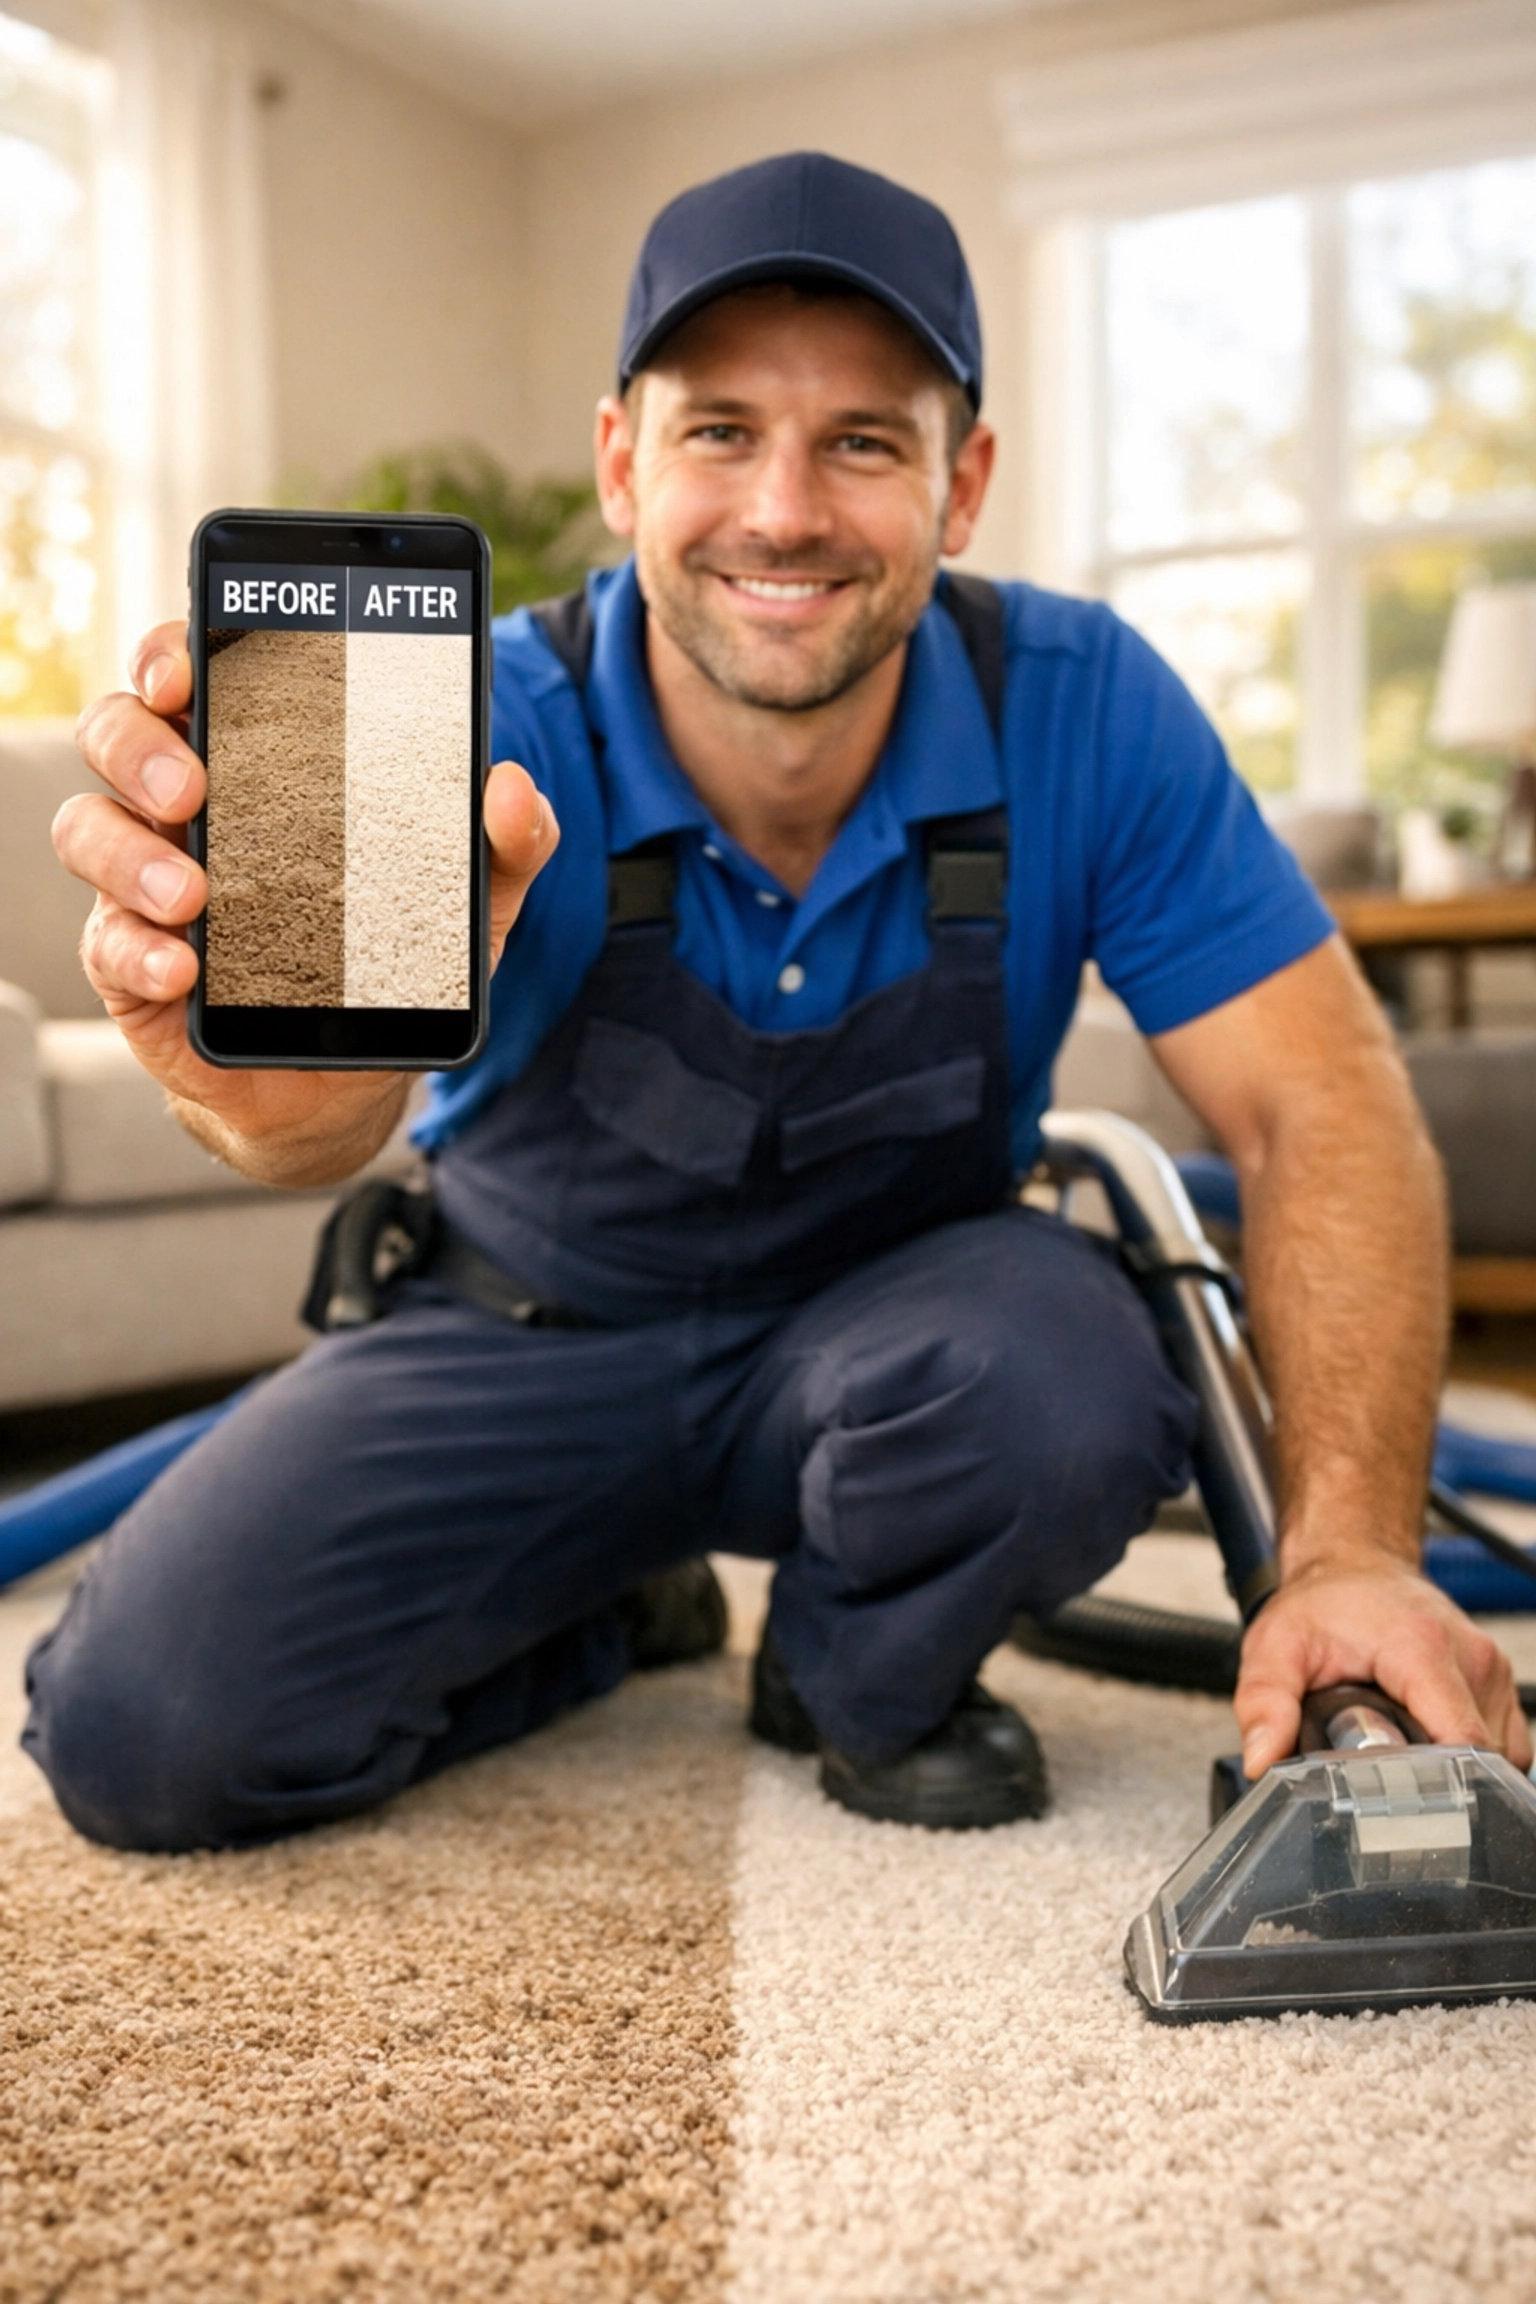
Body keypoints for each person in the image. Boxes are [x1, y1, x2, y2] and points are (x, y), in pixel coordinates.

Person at [30, 152, 1529, 1853]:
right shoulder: (474, 717)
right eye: (720, 430)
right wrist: (266, 1100)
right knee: (143, 1738)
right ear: (622, 462)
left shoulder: (1084, 705)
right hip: (524, 1340)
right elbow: (319, 1126)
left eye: (863, 442)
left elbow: (1327, 1100)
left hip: (897, 1355)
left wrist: (1347, 1553)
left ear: (963, 485)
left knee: (1076, 1377)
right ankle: (602, 1607)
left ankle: (847, 1664)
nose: (785, 510)